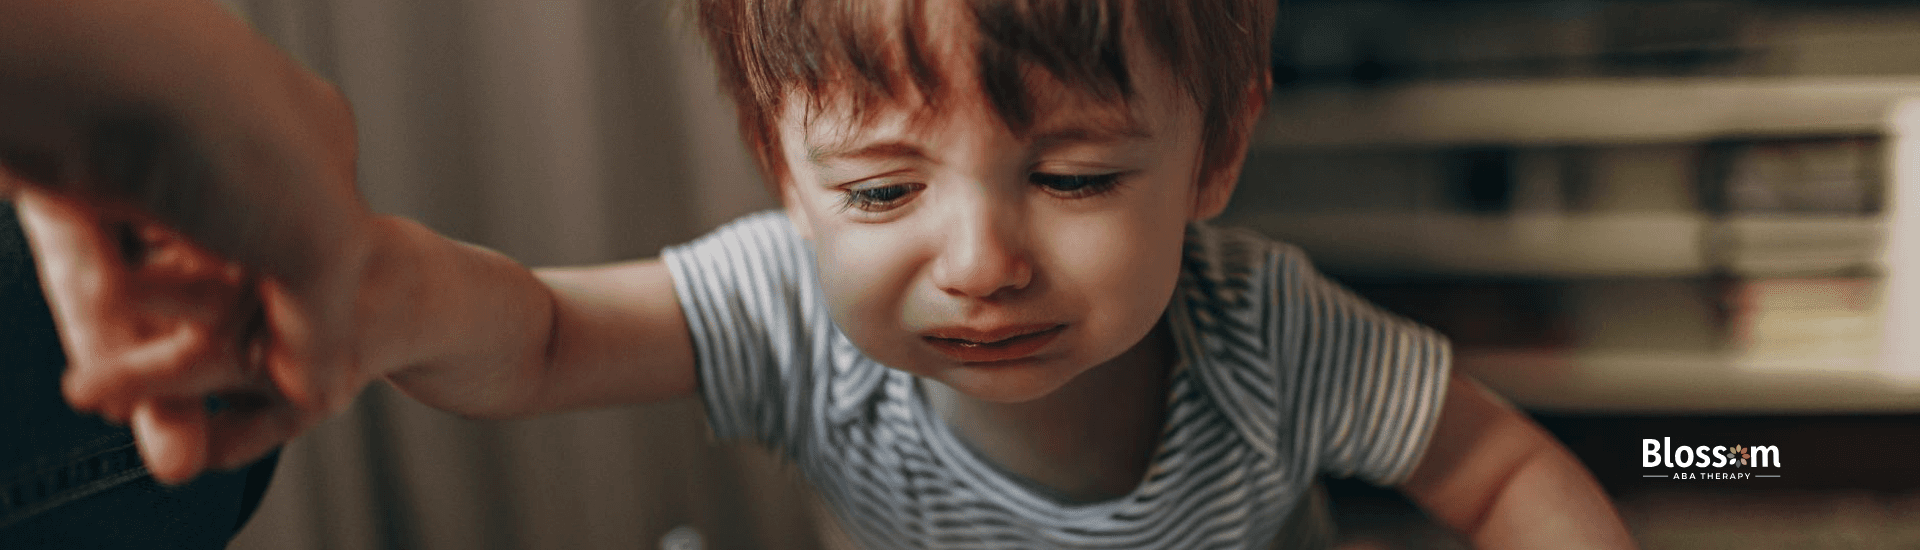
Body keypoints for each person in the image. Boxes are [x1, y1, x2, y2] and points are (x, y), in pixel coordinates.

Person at [0, 0, 1636, 547]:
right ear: (785, 173)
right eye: (878, 185)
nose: (982, 258)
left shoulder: (1268, 331)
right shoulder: (793, 307)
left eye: (1074, 175)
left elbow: (1498, 470)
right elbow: (555, 331)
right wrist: (384, 292)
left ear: (1215, 152)